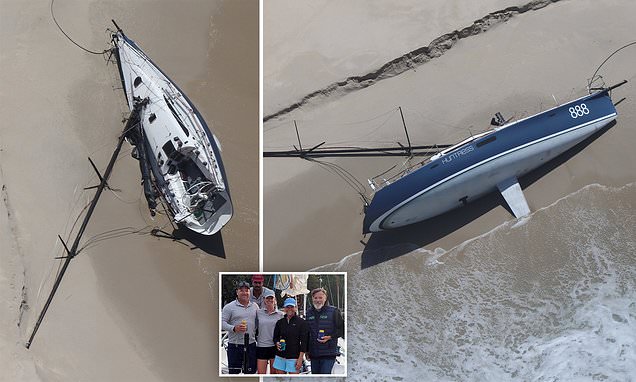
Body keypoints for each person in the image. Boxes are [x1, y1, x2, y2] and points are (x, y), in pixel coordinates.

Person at [221, 280, 259, 374]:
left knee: (251, 374)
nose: (244, 293)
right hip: (235, 345)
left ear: (249, 292)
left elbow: (259, 323)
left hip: (251, 345)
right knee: (234, 374)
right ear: (237, 292)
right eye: (241, 290)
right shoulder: (229, 307)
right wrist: (233, 328)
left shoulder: (255, 306)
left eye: (246, 290)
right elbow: (221, 323)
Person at [305, 287, 345, 374]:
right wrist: (307, 351)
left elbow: (342, 330)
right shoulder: (309, 313)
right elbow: (307, 333)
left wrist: (330, 337)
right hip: (314, 354)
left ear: (325, 298)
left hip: (328, 354)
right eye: (315, 298)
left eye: (320, 297)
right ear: (312, 299)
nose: (318, 300)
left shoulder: (334, 311)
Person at [272, 297, 309, 374]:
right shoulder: (280, 322)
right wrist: (277, 343)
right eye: (287, 307)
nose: (289, 309)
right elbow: (275, 337)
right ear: (284, 308)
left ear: (295, 308)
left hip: (294, 357)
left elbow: (304, 342)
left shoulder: (302, 322)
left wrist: (300, 358)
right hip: (280, 356)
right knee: (280, 379)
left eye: (292, 307)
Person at [255, 289, 284, 374]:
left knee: (273, 374)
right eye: (267, 298)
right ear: (264, 300)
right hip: (261, 346)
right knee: (261, 373)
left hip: (275, 346)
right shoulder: (258, 312)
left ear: (275, 300)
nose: (270, 300)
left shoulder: (281, 315)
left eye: (272, 298)